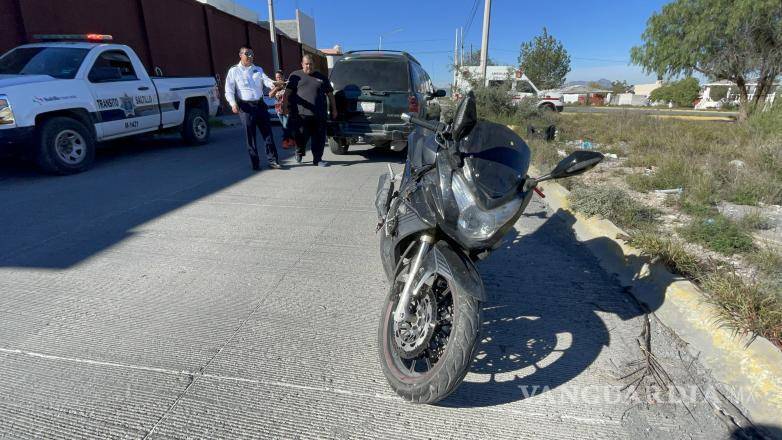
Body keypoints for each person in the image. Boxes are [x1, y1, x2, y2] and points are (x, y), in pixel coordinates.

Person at [224, 45, 282, 170]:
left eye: (251, 54)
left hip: (260, 105)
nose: (250, 56)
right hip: (245, 107)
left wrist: (274, 84)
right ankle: (255, 163)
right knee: (250, 137)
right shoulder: (234, 71)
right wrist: (233, 104)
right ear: (240, 55)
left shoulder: (258, 69)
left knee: (268, 134)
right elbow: (228, 90)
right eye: (247, 54)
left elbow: (266, 80)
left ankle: (273, 160)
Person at [283, 54, 337, 167]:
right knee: (301, 137)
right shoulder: (295, 75)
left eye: (311, 64)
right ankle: (299, 150)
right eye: (306, 64)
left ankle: (318, 159)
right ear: (302, 64)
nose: (309, 66)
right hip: (301, 115)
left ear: (314, 65)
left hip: (319, 114)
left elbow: (330, 95)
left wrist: (334, 109)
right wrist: (285, 107)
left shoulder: (321, 77)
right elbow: (287, 93)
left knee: (319, 138)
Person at [269, 70, 294, 148]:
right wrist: (277, 88)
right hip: (278, 109)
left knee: (286, 125)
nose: (278, 79)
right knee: (285, 125)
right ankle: (291, 139)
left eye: (280, 77)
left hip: (287, 108)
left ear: (283, 77)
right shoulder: (274, 85)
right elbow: (270, 95)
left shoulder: (288, 84)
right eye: (277, 77)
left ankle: (285, 141)